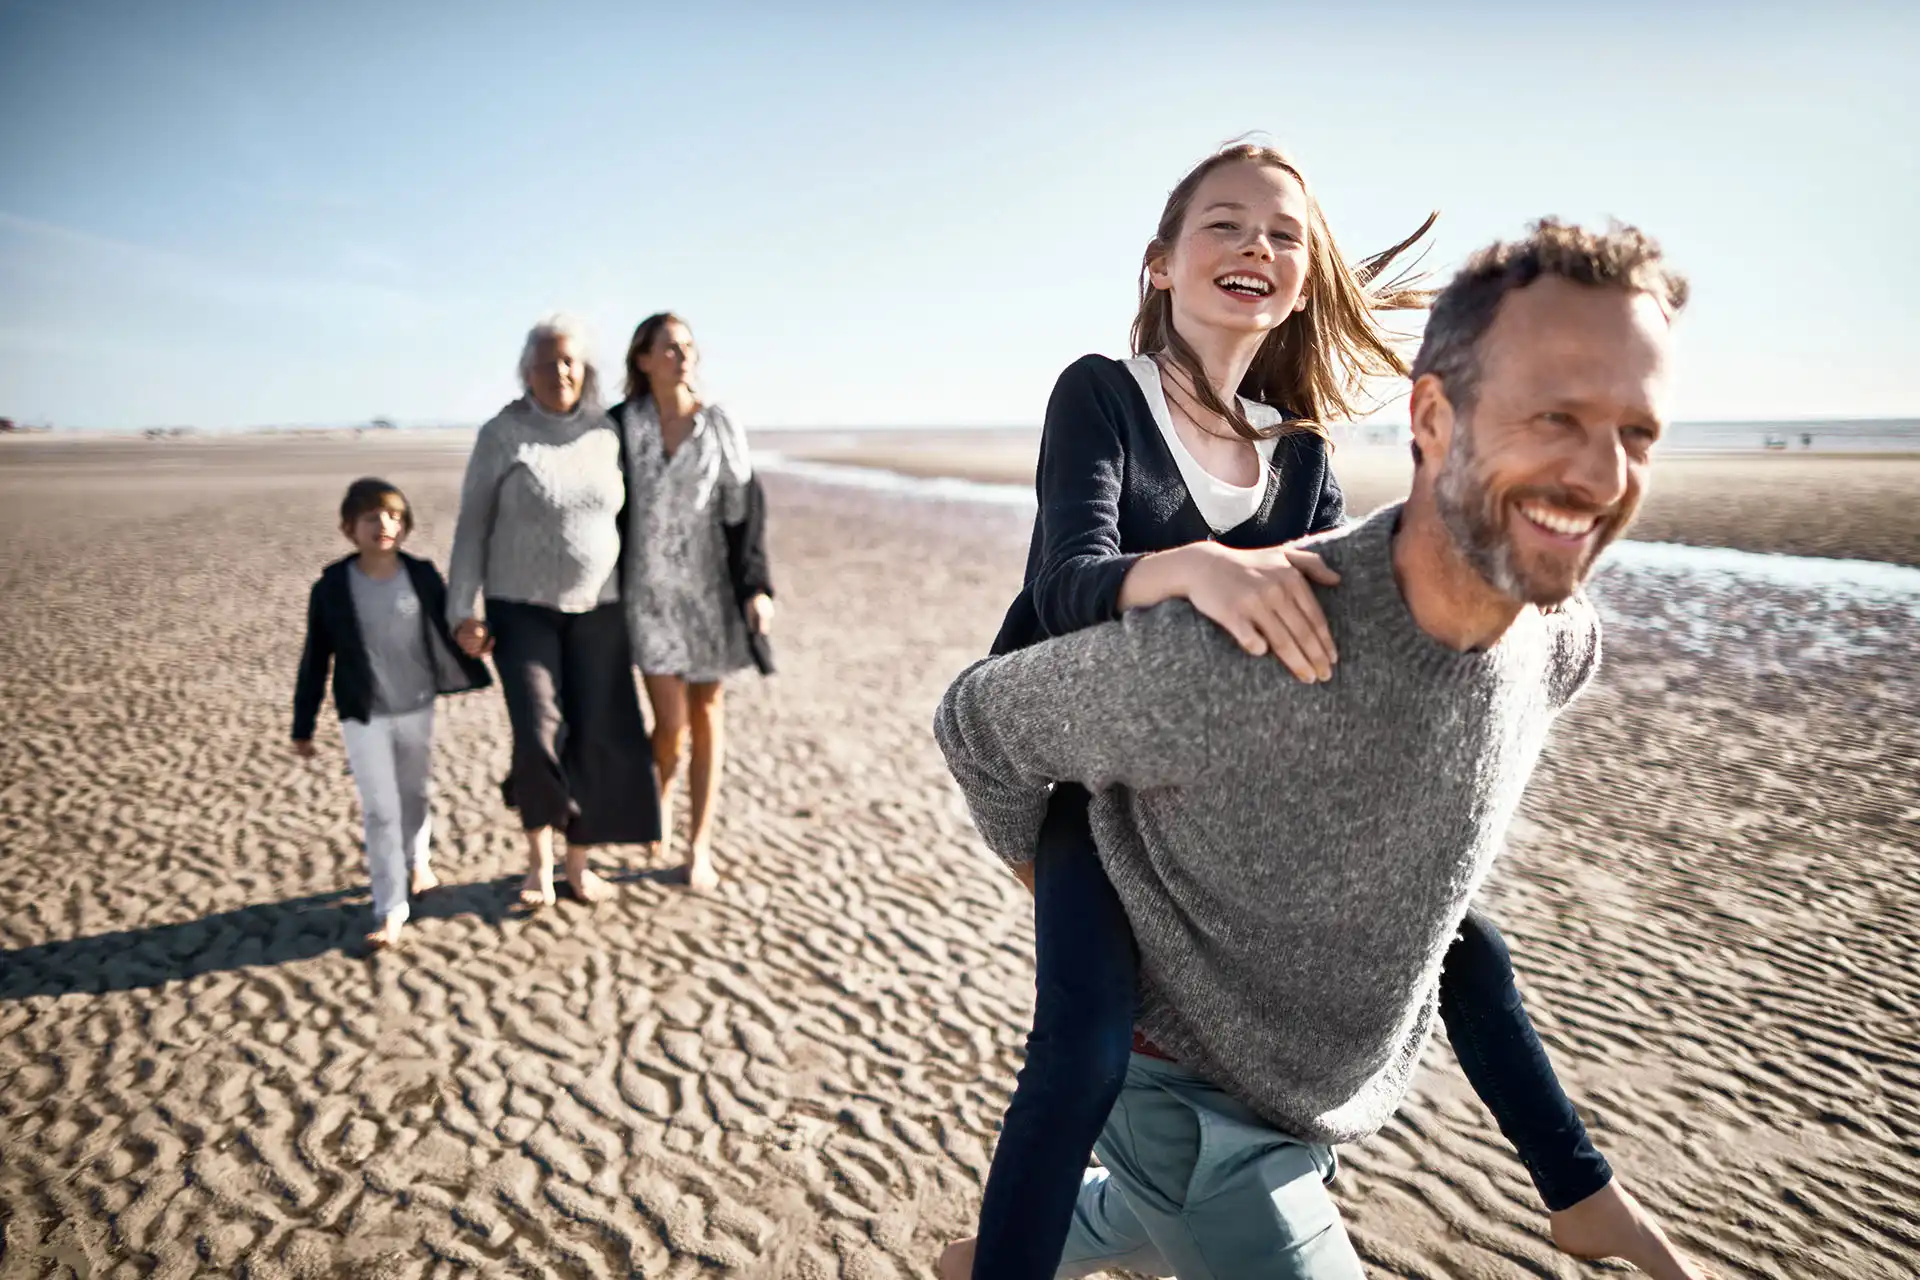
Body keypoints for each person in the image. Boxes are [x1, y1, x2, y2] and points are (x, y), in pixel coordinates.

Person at [938, 143, 1678, 1279]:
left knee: (1456, 943)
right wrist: (1192, 565)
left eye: (1285, 235)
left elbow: (1319, 618)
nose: (1258, 248)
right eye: (1226, 225)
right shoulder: (1104, 393)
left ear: (1304, 276)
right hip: (1080, 775)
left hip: (1212, 777)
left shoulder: (1299, 445)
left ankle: (1579, 1190)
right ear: (1160, 266)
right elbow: (1059, 584)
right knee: (1084, 1047)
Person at [445, 315, 660, 908]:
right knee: (539, 732)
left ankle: (577, 863)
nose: (560, 371)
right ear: (527, 371)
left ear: (584, 369)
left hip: (601, 609)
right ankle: (538, 861)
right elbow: (472, 526)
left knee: (593, 735)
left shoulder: (605, 431)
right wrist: (461, 609)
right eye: (547, 362)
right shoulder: (502, 434)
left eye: (570, 361)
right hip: (520, 608)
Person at [610, 313, 775, 892]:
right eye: (668, 348)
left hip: (710, 594)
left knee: (706, 716)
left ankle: (697, 845)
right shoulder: (621, 426)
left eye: (687, 347)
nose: (681, 356)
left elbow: (746, 511)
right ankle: (655, 798)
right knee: (669, 724)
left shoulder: (719, 425)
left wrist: (756, 588)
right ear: (643, 360)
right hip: (647, 595)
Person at [291, 478, 493, 948]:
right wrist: (303, 725)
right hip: (363, 714)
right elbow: (315, 657)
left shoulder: (420, 574)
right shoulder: (332, 586)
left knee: (414, 794)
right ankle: (390, 908)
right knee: (381, 811)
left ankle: (418, 860)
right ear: (349, 528)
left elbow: (452, 628)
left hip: (417, 706)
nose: (384, 525)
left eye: (394, 517)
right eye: (371, 518)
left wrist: (479, 640)